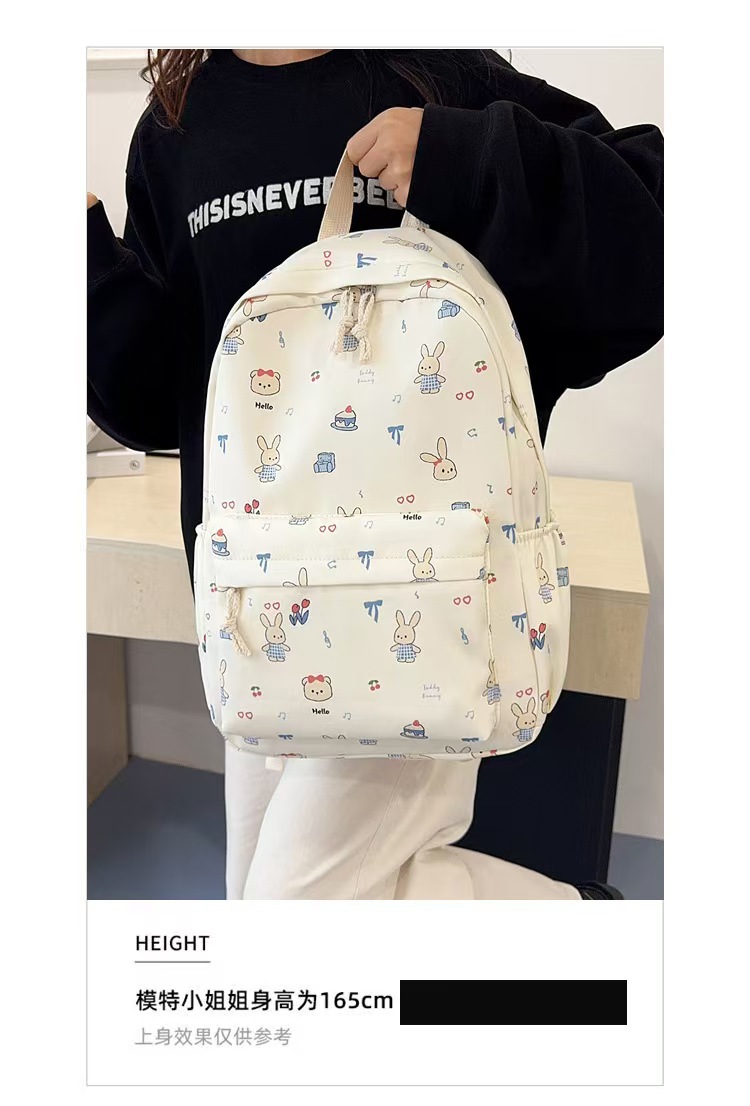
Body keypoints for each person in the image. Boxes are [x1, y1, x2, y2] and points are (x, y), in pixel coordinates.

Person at [87, 48, 663, 900]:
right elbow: (163, 396)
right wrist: (83, 258)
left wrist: (463, 158)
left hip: (424, 603)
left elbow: (654, 229)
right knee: (257, 900)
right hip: (258, 612)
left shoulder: (434, 70)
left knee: (288, 912)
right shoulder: (177, 123)